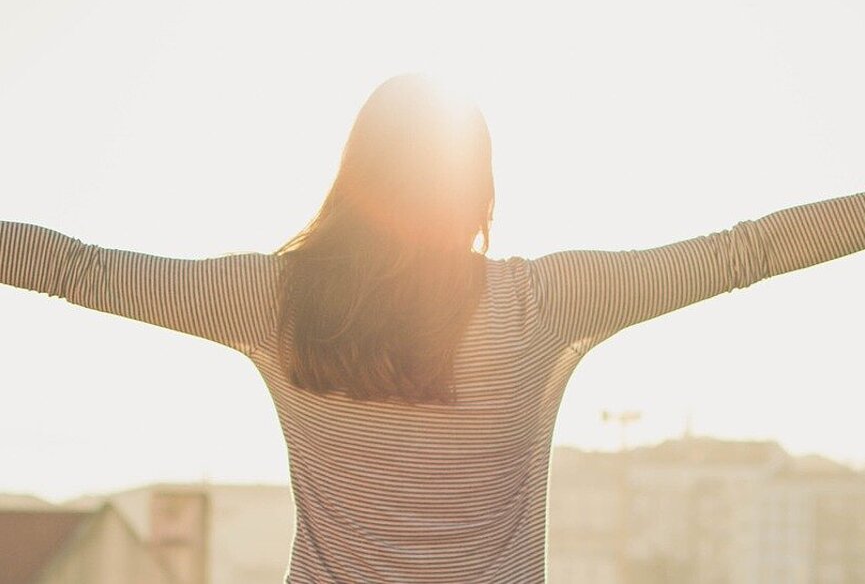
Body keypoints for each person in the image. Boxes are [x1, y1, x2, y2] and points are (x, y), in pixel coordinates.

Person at [1, 73, 863, 583]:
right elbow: (744, 251)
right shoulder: (541, 304)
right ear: (475, 189)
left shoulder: (279, 300)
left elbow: (81, 270)